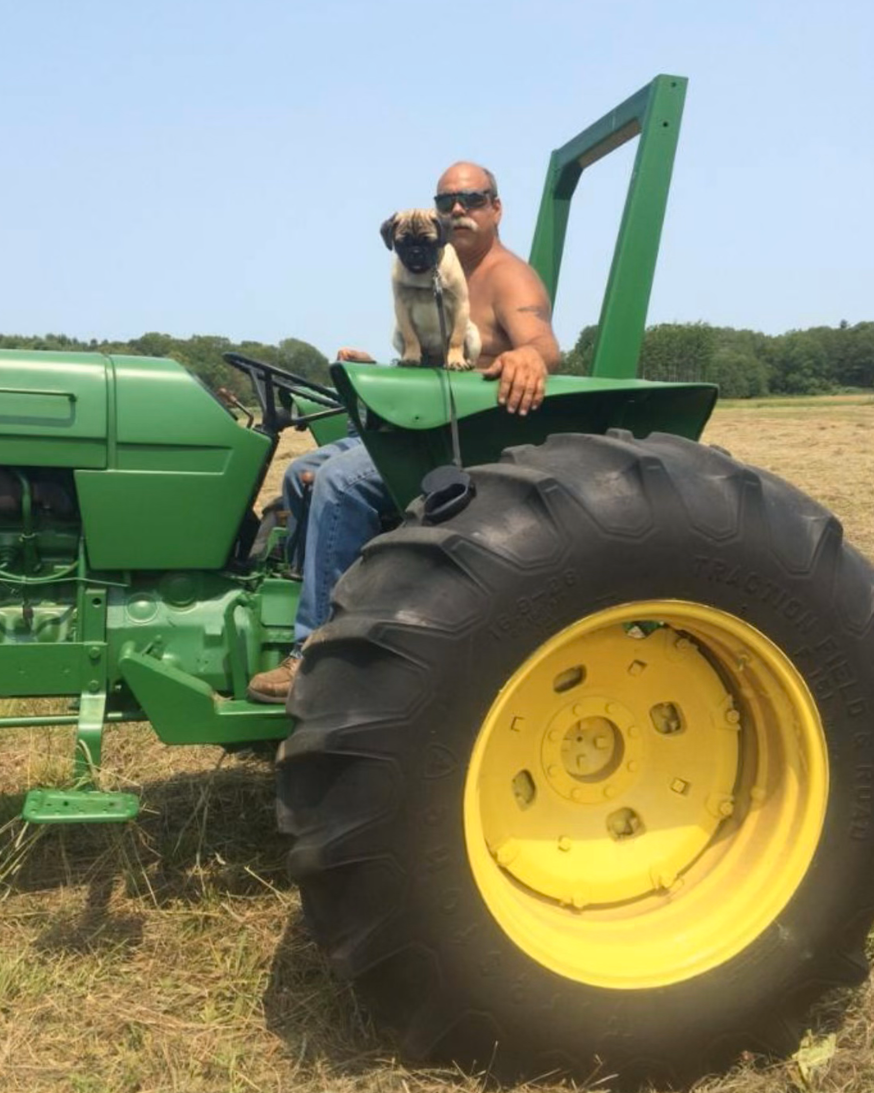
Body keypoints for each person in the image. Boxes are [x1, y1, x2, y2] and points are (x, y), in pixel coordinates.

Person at [247, 162, 561, 703]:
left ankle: (317, 652)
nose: (458, 209)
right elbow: (427, 355)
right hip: (419, 419)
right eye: (446, 201)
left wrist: (530, 356)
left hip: (459, 434)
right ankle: (323, 593)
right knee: (302, 472)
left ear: (497, 207)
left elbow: (543, 342)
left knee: (341, 483)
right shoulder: (433, 269)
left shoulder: (506, 274)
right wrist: (380, 366)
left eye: (472, 198)